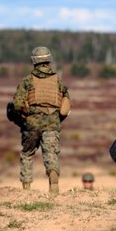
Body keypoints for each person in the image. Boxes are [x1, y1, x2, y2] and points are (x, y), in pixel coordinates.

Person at [12, 46, 71, 194]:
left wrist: (26, 114)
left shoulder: (27, 81)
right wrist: (57, 118)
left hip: (32, 123)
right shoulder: (58, 81)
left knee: (27, 153)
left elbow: (17, 104)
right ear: (49, 59)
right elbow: (66, 103)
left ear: (34, 61)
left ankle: (26, 188)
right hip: (52, 122)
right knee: (51, 153)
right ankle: (53, 181)